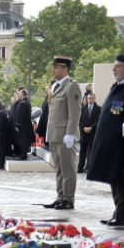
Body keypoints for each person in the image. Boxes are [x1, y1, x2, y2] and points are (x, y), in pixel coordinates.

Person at [86, 54, 124, 228]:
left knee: (123, 179)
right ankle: (118, 212)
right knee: (113, 177)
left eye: (117, 66)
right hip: (110, 142)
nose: (114, 69)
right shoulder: (117, 87)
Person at [41, 56, 83, 210]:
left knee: (68, 169)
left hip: (65, 135)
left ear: (65, 69)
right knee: (58, 168)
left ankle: (68, 199)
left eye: (57, 67)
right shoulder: (55, 86)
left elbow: (74, 112)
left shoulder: (71, 87)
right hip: (54, 134)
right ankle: (60, 197)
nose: (54, 70)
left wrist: (70, 133)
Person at [78, 92, 101, 173]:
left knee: (91, 152)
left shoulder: (99, 109)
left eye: (91, 98)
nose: (90, 100)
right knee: (82, 151)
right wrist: (84, 127)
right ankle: (80, 168)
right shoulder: (82, 109)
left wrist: (91, 127)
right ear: (86, 99)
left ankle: (90, 168)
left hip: (93, 133)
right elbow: (79, 120)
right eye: (88, 98)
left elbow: (99, 120)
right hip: (84, 133)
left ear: (94, 99)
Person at [9, 88, 33, 159]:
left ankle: (23, 156)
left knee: (22, 142)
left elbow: (21, 115)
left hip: (22, 127)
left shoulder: (23, 103)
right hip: (25, 126)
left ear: (23, 94)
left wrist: (17, 125)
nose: (18, 95)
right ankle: (21, 155)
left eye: (19, 94)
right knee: (22, 141)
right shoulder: (26, 102)